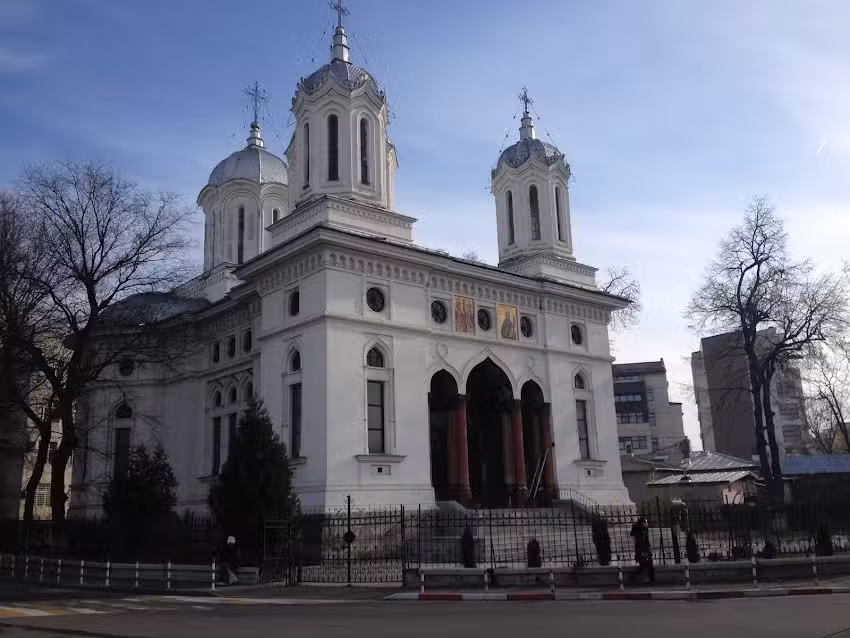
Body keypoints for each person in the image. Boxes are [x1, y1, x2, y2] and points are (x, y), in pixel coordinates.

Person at [630, 517, 655, 584]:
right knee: (645, 566)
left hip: (646, 549)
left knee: (648, 566)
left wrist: (649, 546)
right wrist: (642, 551)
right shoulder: (638, 530)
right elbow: (638, 541)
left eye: (646, 522)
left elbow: (646, 539)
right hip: (641, 550)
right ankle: (633, 577)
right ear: (642, 523)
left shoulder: (645, 529)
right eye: (645, 522)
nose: (647, 524)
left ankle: (651, 580)